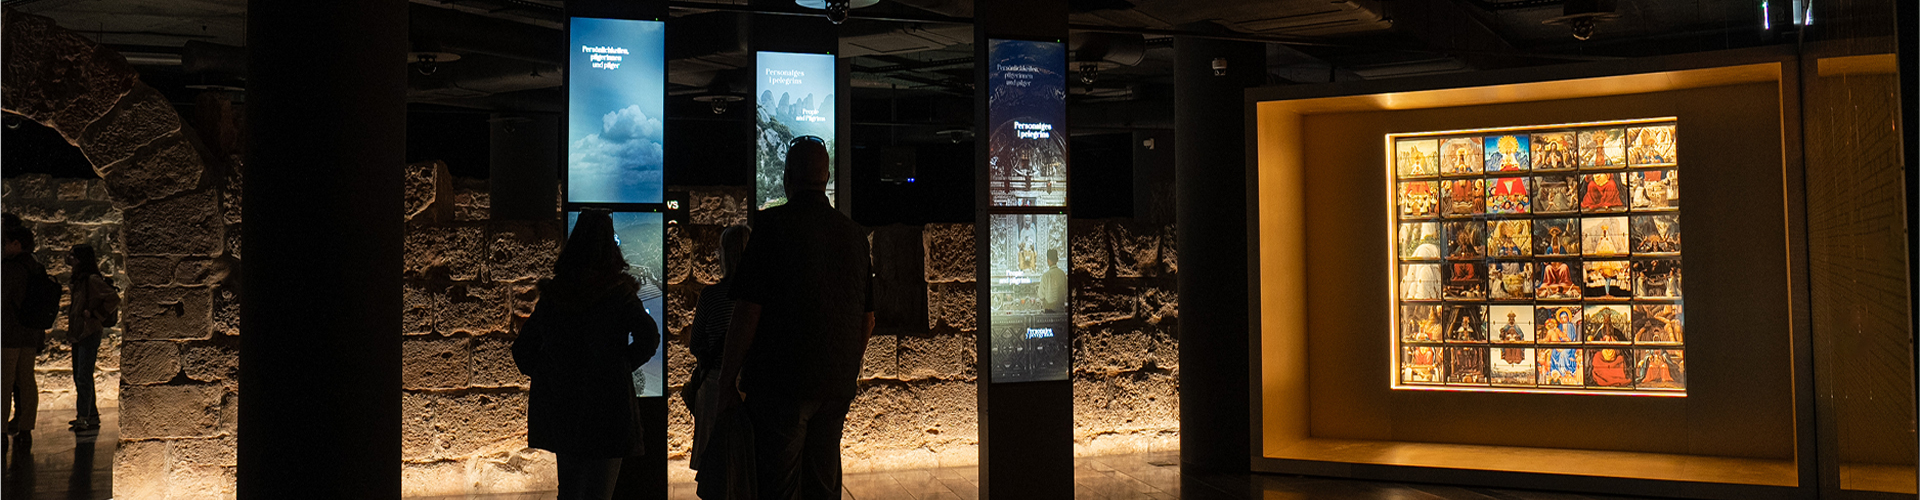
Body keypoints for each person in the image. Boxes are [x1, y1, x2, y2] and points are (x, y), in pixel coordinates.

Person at [717, 136, 874, 500]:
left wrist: (728, 380)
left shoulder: (771, 227)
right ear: (828, 175)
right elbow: (867, 319)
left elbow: (747, 311)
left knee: (778, 487)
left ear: (787, 177)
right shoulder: (854, 236)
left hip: (781, 385)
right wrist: (847, 365)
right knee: (823, 483)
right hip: (836, 384)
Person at [512, 209, 660, 500]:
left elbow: (523, 350)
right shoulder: (619, 294)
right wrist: (619, 366)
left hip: (565, 407)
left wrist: (552, 374)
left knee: (569, 491)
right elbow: (648, 337)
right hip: (609, 408)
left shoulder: (555, 296)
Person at [687, 224, 752, 499]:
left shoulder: (711, 297)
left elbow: (695, 343)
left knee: (713, 461)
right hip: (749, 384)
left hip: (714, 384)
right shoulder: (758, 299)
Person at [3, 214, 48, 446]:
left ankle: (1, 430)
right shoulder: (37, 268)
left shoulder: (10, 269)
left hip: (9, 334)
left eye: (5, 242)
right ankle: (26, 427)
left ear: (16, 244)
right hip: (31, 334)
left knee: (4, 381)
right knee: (27, 381)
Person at [65, 244, 115, 432]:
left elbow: (112, 298)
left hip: (88, 331)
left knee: (83, 376)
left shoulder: (91, 280)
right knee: (81, 376)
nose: (70, 260)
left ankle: (84, 417)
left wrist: (96, 315)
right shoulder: (79, 280)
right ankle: (90, 415)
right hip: (79, 333)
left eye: (73, 257)